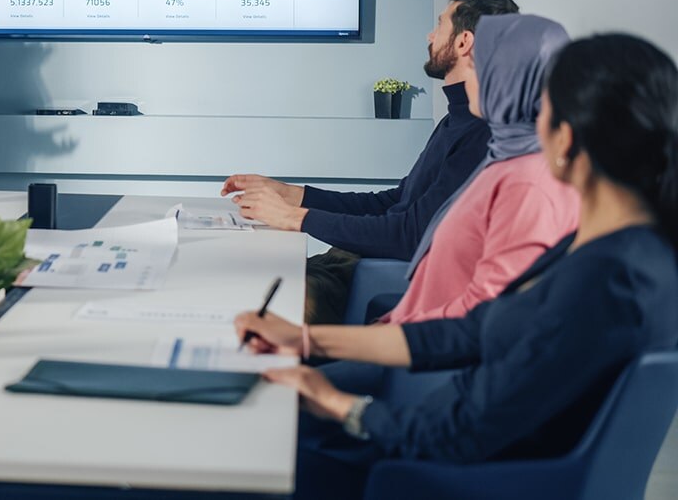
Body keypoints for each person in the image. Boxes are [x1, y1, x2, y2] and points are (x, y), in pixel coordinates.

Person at [235, 33, 678, 499]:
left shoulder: (604, 283)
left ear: (564, 138)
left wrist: (334, 402)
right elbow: (468, 333)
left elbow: (458, 431)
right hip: (456, 457)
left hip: (435, 476)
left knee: (240, 441)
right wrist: (306, 339)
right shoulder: (629, 255)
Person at [224, 0, 518, 324]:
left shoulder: (482, 133)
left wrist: (295, 218)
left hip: (369, 274)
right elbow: (395, 202)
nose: (430, 35)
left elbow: (412, 234)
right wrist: (292, 195)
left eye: (440, 25)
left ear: (464, 42)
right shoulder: (455, 121)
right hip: (349, 261)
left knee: (249, 299)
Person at [374, 14, 578, 323]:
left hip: (427, 350)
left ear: (510, 80)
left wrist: (323, 342)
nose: (469, 79)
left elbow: (478, 317)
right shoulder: (501, 159)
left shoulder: (525, 180)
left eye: (479, 67)